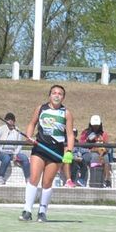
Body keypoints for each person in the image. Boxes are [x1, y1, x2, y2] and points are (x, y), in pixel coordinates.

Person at [21, 84, 73, 222]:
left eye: (60, 93)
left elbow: (70, 135)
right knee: (34, 178)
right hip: (40, 147)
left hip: (55, 151)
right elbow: (32, 123)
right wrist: (29, 136)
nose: (56, 95)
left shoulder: (66, 113)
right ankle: (27, 210)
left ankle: (42, 212)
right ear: (49, 95)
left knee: (47, 182)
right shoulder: (41, 108)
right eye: (54, 93)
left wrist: (69, 151)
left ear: (63, 97)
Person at [0, 112, 29, 184]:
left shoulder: (17, 130)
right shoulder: (1, 129)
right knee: (6, 158)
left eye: (12, 120)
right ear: (5, 121)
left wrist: (15, 154)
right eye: (8, 119)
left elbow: (20, 144)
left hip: (13, 153)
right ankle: (0, 177)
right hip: (1, 152)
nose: (10, 121)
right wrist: (1, 150)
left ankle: (28, 178)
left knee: (24, 158)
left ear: (14, 121)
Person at [77, 115, 113, 188]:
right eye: (94, 125)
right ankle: (94, 181)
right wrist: (88, 141)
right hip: (88, 153)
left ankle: (107, 180)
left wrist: (103, 150)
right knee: (95, 156)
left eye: (97, 125)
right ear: (91, 124)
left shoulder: (104, 134)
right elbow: (81, 145)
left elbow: (108, 147)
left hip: (102, 153)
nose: (96, 127)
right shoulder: (85, 133)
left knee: (106, 158)